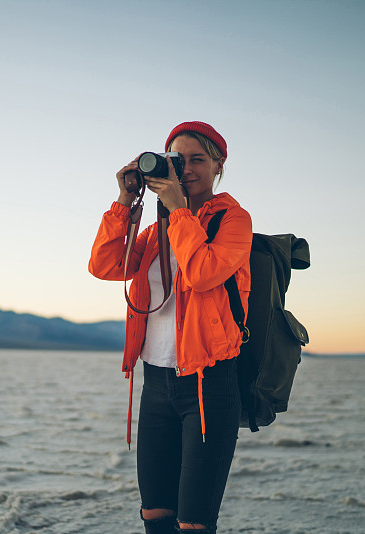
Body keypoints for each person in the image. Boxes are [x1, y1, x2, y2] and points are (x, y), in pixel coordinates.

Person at [88, 121, 252, 533]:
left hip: (208, 385)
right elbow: (105, 266)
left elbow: (202, 272)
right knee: (155, 518)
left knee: (193, 524)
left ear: (219, 165)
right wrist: (125, 201)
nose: (189, 169)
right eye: (179, 161)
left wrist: (179, 208)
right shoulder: (155, 231)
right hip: (155, 384)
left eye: (199, 159)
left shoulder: (234, 221)